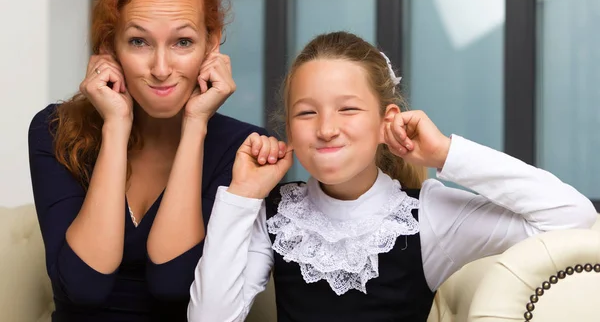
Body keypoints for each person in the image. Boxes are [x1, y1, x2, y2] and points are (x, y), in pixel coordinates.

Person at [187, 31, 597, 322]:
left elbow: (570, 216)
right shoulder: (276, 210)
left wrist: (446, 153)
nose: (326, 128)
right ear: (289, 128)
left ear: (388, 122)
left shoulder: (426, 215)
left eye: (348, 109)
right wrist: (241, 195)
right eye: (307, 112)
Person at [28, 0, 266, 321]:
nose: (160, 68)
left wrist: (195, 125)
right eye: (139, 42)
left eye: (182, 42)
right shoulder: (55, 130)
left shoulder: (243, 150)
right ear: (109, 47)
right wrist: (116, 125)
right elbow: (84, 287)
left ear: (212, 42)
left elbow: (172, 283)